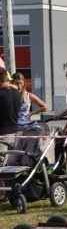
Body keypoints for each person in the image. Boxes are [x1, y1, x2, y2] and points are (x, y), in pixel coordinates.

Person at [0, 71, 21, 201]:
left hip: (2, 134)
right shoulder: (17, 94)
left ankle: (2, 194)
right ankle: (13, 190)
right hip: (15, 132)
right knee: (12, 165)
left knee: (1, 167)